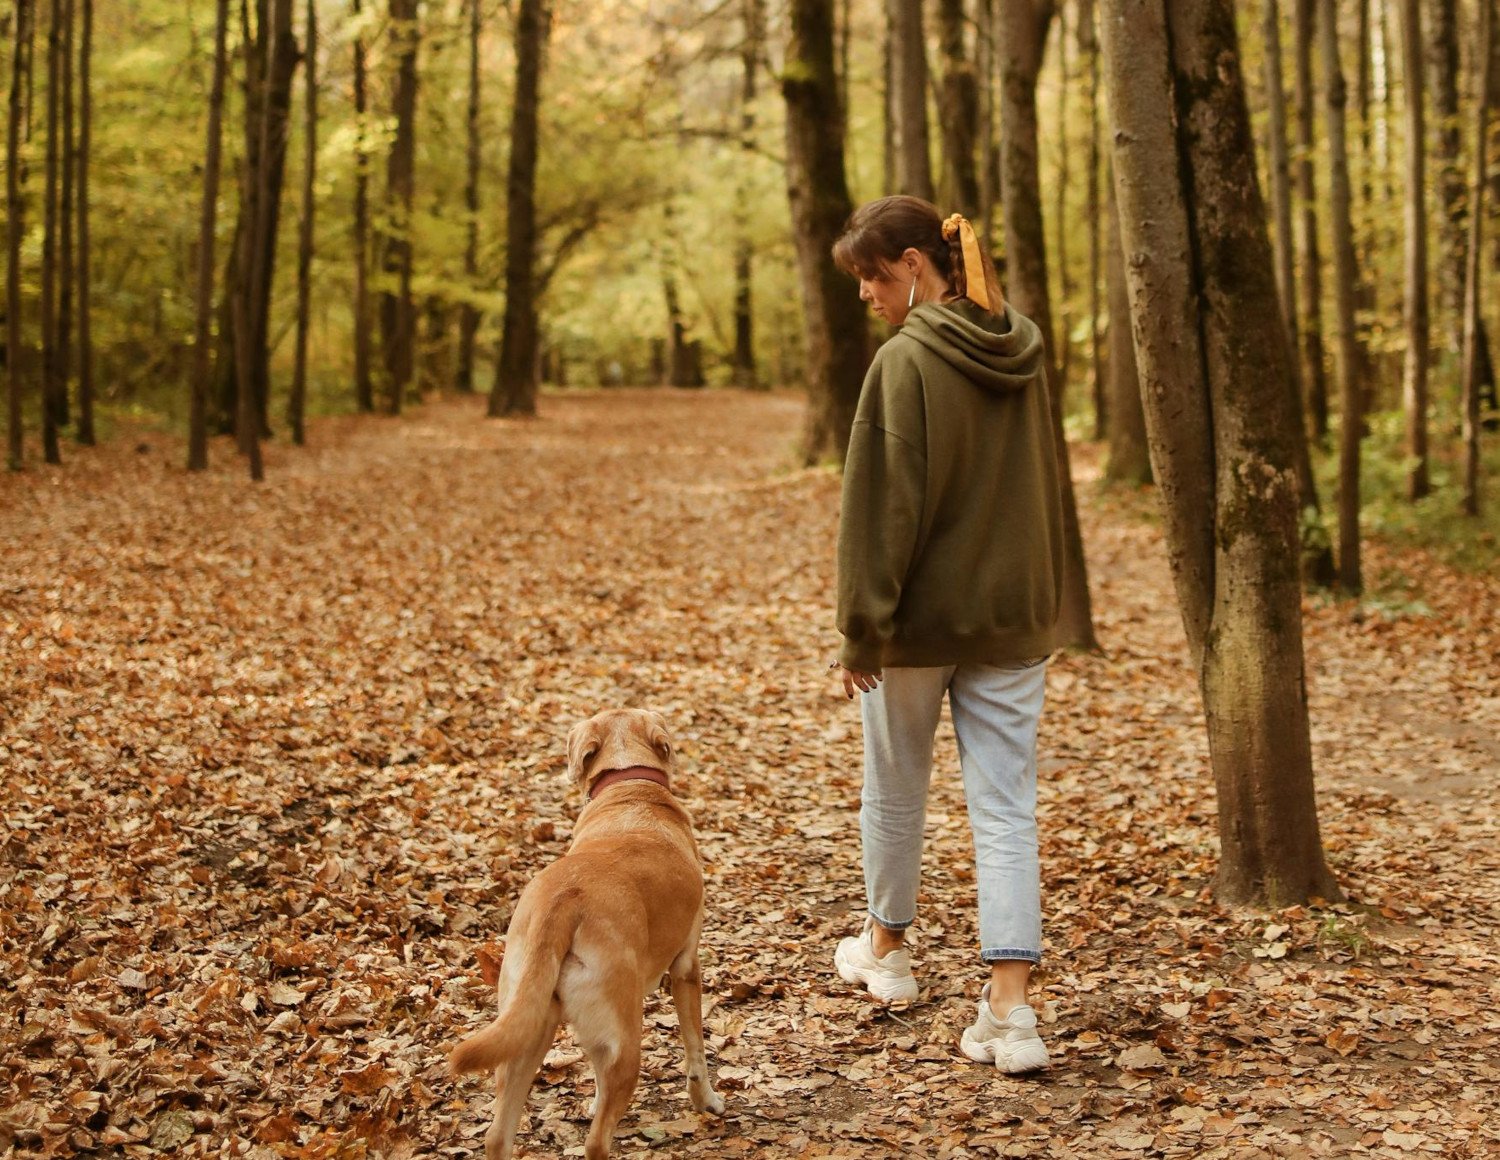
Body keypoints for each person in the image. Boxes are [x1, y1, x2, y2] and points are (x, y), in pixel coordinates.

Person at [827, 196, 1064, 1074]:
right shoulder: (1023, 347)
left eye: (872, 278)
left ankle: (888, 954)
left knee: (894, 787)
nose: (867, 297)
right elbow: (1044, 489)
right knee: (1006, 809)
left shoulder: (904, 364)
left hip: (919, 623)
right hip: (1012, 615)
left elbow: (878, 513)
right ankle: (1012, 1014)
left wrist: (861, 631)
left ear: (917, 268)